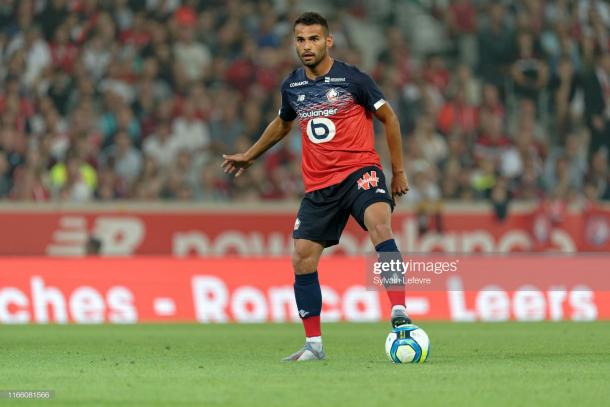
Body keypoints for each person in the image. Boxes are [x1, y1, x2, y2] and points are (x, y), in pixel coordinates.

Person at [222, 12, 410, 361]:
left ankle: (399, 313)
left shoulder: (354, 79)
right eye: (300, 40)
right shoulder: (292, 86)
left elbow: (390, 118)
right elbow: (282, 124)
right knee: (301, 259)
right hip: (320, 185)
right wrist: (250, 155)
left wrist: (397, 171)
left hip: (360, 172)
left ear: (328, 41)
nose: (306, 46)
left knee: (379, 225)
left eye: (313, 39)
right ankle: (314, 345)